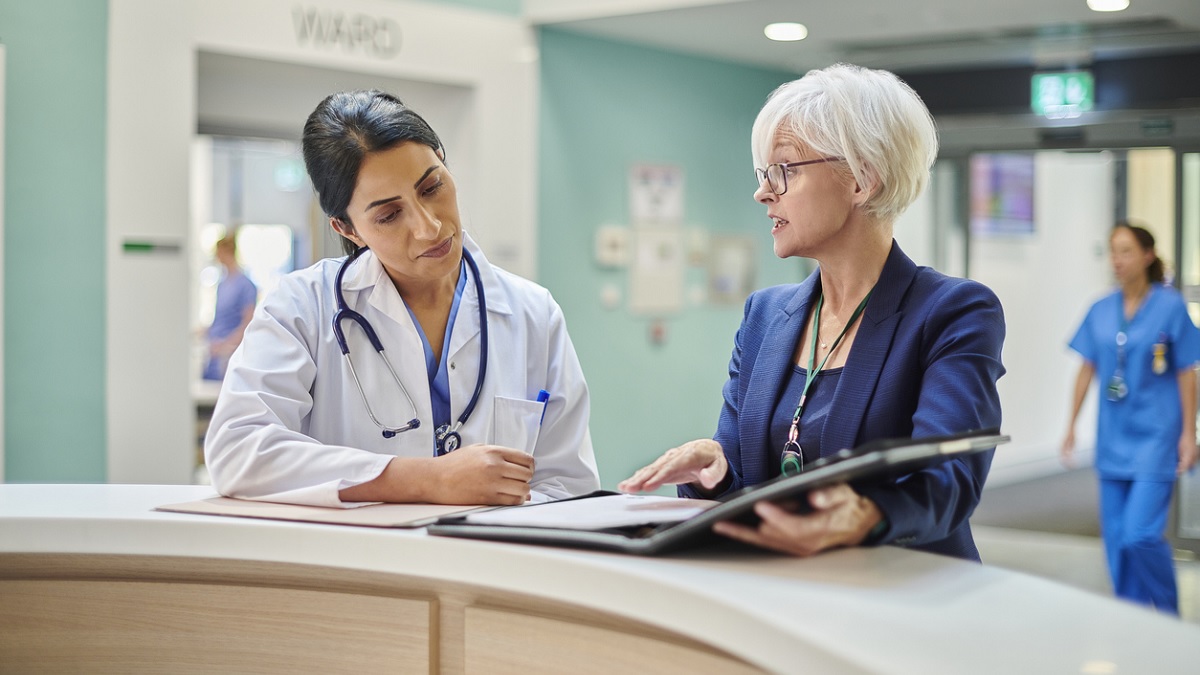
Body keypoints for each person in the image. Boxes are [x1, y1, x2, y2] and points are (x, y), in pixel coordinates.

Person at [619, 64, 1006, 561]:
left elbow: (948, 480)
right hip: (781, 604)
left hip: (905, 600)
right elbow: (747, 488)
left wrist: (866, 515)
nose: (763, 192)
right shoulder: (764, 314)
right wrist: (713, 473)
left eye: (785, 170)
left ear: (863, 179)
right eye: (764, 175)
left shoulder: (952, 312)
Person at [205, 90, 600, 507]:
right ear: (347, 229)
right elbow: (237, 451)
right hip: (357, 566)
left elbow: (569, 486)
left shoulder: (533, 314)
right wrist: (426, 480)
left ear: (445, 165)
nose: (429, 227)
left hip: (491, 564)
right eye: (390, 215)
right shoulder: (302, 309)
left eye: (432, 187)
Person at [1061, 222, 1200, 614]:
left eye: (1125, 251)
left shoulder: (1169, 305)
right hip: (1114, 437)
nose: (1117, 260)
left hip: (1157, 435)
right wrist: (1071, 425)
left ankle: (1168, 612)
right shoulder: (1100, 308)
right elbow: (1086, 368)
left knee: (1140, 534)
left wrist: (1189, 434)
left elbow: (1187, 370)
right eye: (1113, 251)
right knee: (1117, 542)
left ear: (1147, 256)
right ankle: (1133, 616)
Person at [202, 235, 258, 381]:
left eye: (219, 253)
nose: (217, 258)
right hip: (214, 351)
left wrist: (226, 345)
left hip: (229, 352)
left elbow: (248, 322)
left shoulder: (245, 285)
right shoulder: (222, 283)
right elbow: (220, 319)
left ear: (228, 252)